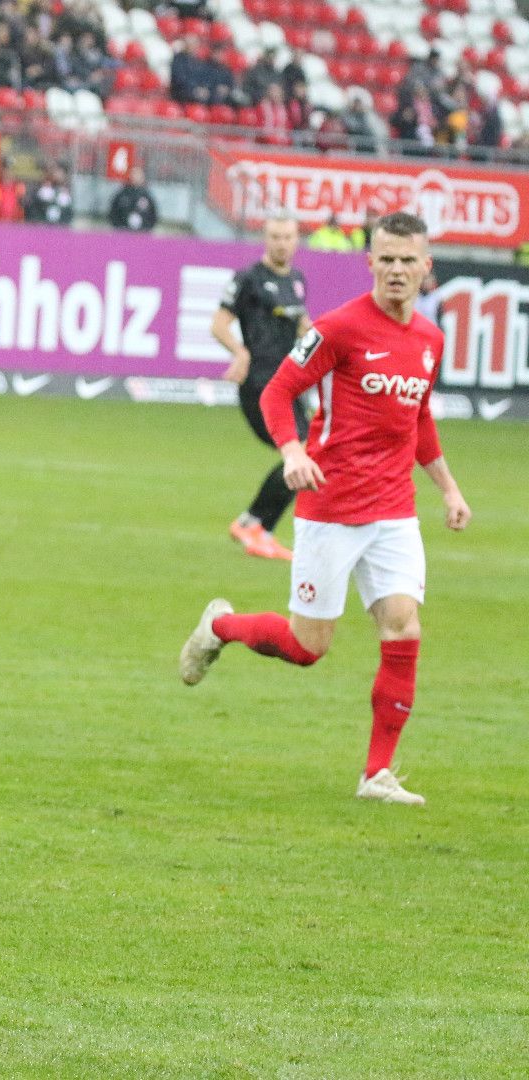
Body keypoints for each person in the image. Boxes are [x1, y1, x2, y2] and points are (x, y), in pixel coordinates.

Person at [180, 212, 472, 806]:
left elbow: (416, 419)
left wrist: (447, 487)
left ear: (425, 267)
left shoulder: (429, 340)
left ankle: (376, 775)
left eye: (406, 259)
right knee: (307, 647)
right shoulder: (339, 328)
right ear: (369, 264)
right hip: (331, 507)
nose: (395, 269)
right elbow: (277, 390)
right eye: (384, 258)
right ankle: (219, 627)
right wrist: (290, 449)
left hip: (394, 510)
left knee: (403, 625)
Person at [211, 215, 313, 560]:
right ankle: (253, 523)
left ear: (296, 240)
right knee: (300, 452)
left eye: (287, 237)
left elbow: (302, 326)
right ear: (265, 239)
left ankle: (259, 529)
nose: (281, 243)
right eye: (274, 236)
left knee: (308, 452)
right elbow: (219, 324)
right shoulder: (248, 279)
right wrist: (239, 352)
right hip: (260, 384)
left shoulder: (297, 281)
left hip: (290, 384)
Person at [107, 164, 157, 232]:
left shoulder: (147, 196)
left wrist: (146, 228)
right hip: (122, 233)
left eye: (138, 175)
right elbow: (113, 212)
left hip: (141, 234)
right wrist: (119, 227)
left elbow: (153, 215)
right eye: (134, 175)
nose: (136, 177)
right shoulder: (122, 194)